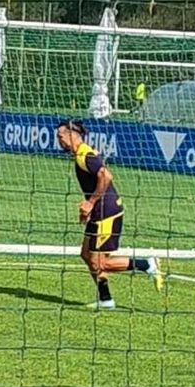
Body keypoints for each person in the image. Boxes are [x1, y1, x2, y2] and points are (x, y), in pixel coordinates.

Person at [56, 119, 164, 309]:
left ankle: (147, 264)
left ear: (73, 135)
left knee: (100, 263)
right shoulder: (81, 154)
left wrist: (90, 202)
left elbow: (106, 176)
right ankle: (106, 299)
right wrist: (88, 207)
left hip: (107, 212)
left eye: (61, 136)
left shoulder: (85, 155)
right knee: (86, 254)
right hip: (99, 211)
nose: (59, 141)